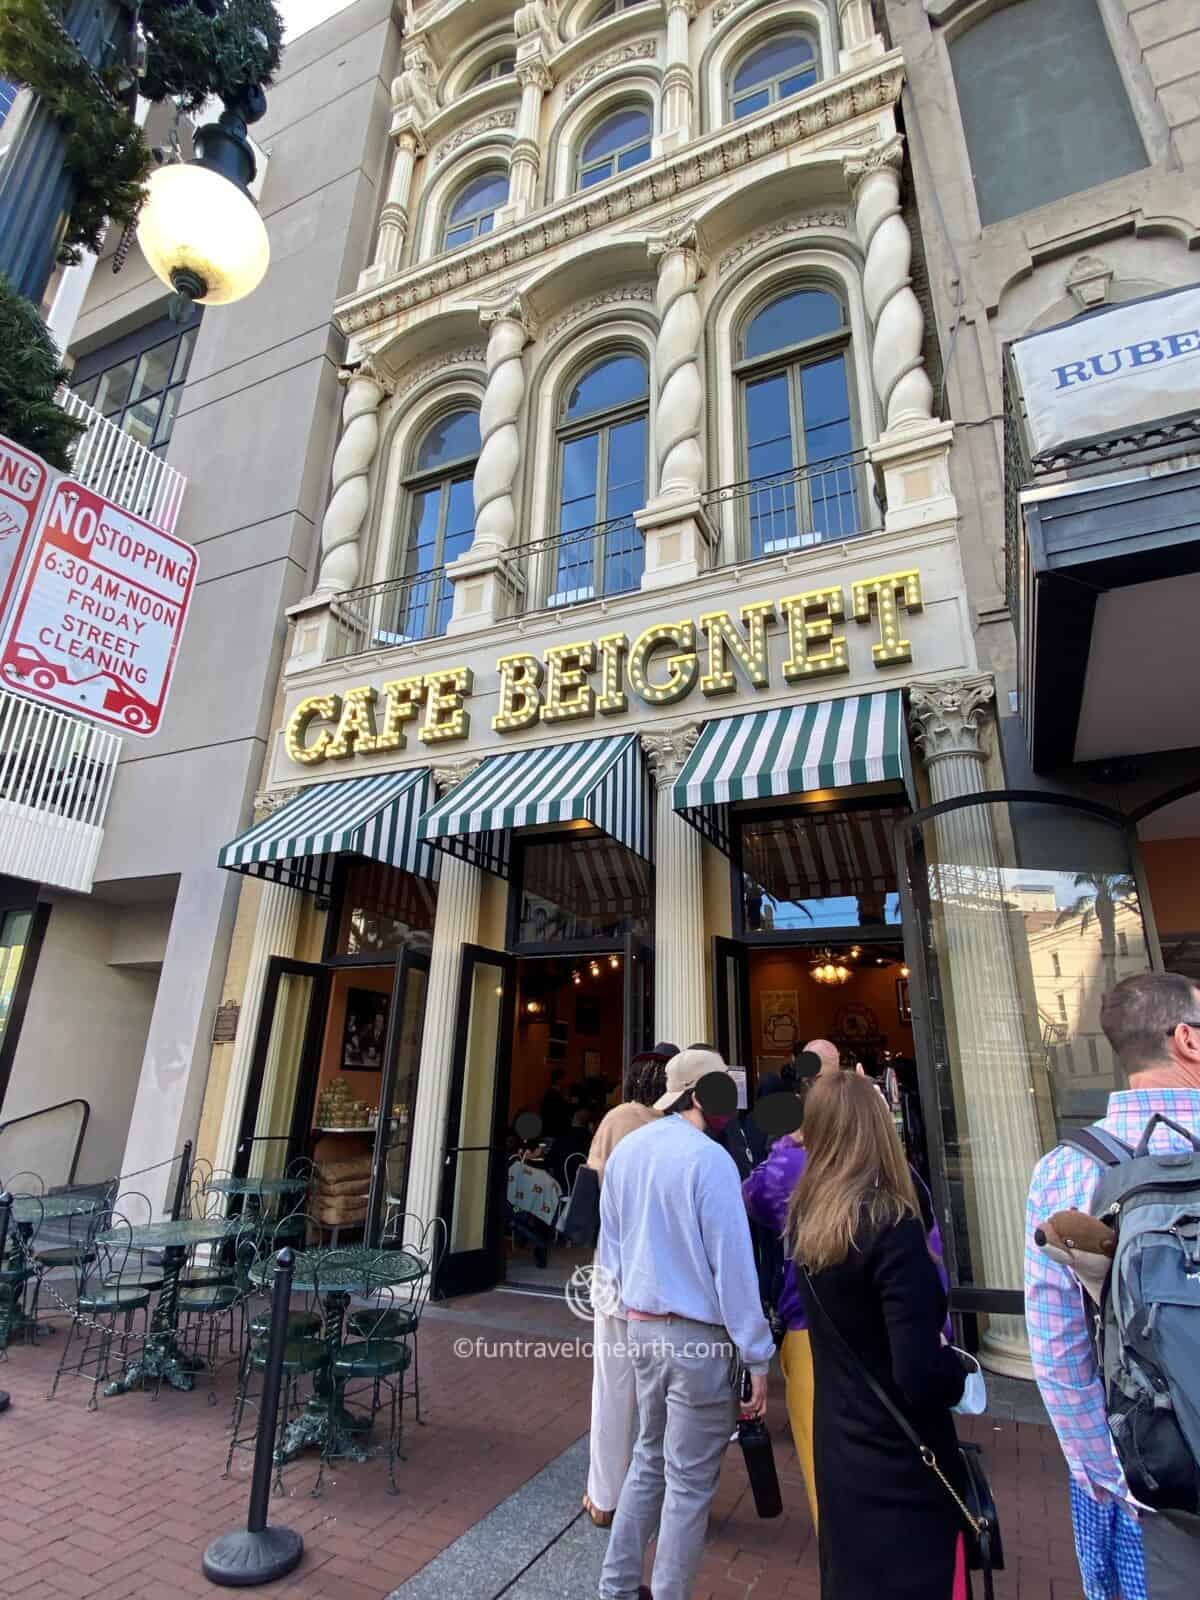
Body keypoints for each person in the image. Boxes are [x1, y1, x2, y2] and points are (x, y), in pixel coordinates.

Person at [1025, 971, 1200, 1600]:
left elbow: (1058, 1348)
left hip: (1152, 1472)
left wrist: (1108, 1477)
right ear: (1187, 1040)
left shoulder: (1065, 1171)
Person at [597, 1048, 774, 1600]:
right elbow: (734, 1267)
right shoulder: (710, 1160)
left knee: (648, 1459)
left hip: (643, 1327)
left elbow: (613, 1247)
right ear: (700, 1094)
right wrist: (756, 1355)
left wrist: (631, 1309)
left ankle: (616, 1587)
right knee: (691, 1482)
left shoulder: (629, 1151)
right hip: (698, 1338)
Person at [791, 1071, 968, 1600]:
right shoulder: (890, 1226)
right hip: (900, 1462)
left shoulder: (808, 1219)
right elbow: (917, 1373)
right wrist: (956, 1370)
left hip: (840, 1446)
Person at [581, 1044, 676, 1528]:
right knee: (664, 1395)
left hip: (617, 1274)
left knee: (614, 1385)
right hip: (665, 1281)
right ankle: (658, 1493)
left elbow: (593, 1196)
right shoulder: (683, 1129)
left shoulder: (617, 1120)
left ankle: (606, 1495)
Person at [741, 1058, 822, 1526]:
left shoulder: (787, 1162)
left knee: (821, 1448)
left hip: (808, 1315)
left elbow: (753, 1197)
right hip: (879, 1327)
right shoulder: (893, 1172)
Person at [540, 1067, 573, 1140]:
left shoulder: (551, 1095)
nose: (567, 1082)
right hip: (554, 1135)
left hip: (550, 1134)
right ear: (559, 1080)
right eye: (565, 1079)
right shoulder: (554, 1097)